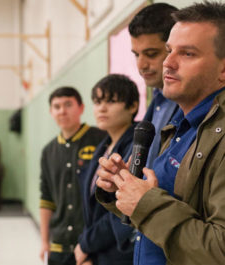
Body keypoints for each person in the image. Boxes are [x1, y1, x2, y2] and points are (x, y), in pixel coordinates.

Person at [96, 2, 225, 265]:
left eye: (187, 54)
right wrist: (123, 188)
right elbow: (162, 214)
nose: (168, 62)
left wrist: (145, 203)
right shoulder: (180, 126)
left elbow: (219, 249)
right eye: (168, 51)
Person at [75, 74, 139, 265]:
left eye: (111, 101)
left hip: (120, 254)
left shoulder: (137, 147)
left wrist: (86, 245)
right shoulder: (103, 146)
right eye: (97, 102)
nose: (101, 108)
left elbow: (120, 211)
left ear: (133, 106)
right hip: (98, 253)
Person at [39, 87, 106, 265]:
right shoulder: (48, 151)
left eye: (68, 104)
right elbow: (46, 199)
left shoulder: (101, 139)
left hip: (91, 246)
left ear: (81, 108)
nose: (62, 111)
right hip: (58, 247)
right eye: (57, 106)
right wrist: (45, 241)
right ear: (51, 112)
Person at [129, 3, 178, 168]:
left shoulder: (193, 102)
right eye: (136, 55)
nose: (141, 65)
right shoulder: (158, 98)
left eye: (151, 54)